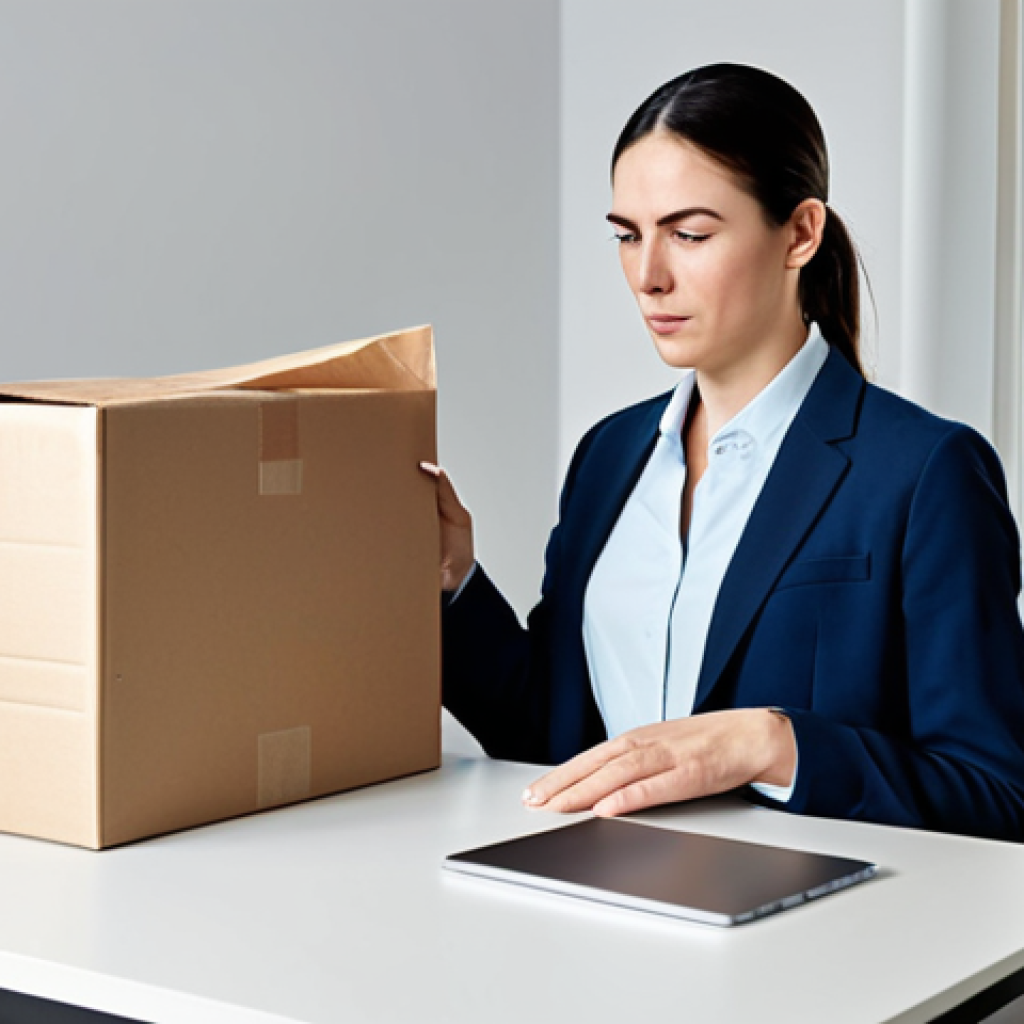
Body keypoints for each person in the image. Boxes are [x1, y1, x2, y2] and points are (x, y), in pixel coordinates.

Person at [420, 62, 1024, 841]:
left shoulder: (923, 472)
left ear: (800, 233)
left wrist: (772, 745)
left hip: (816, 940)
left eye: (689, 234)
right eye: (628, 236)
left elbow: (997, 793)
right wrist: (453, 582)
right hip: (599, 911)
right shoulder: (608, 456)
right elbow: (556, 738)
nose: (648, 275)